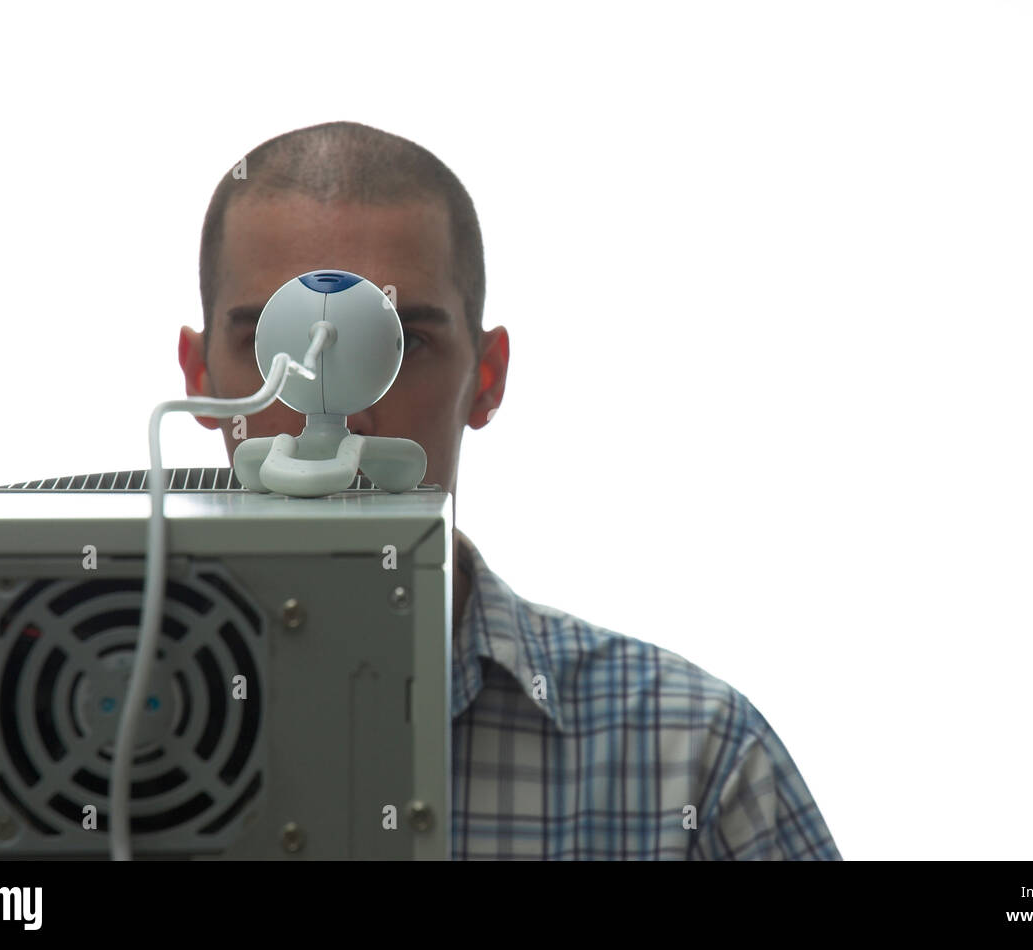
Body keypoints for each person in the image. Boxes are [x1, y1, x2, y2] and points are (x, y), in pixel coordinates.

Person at [178, 120, 841, 860]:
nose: (341, 409)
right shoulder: (55, 720)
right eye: (276, 345)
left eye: (401, 344)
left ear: (486, 378)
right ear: (199, 378)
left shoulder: (694, 764)